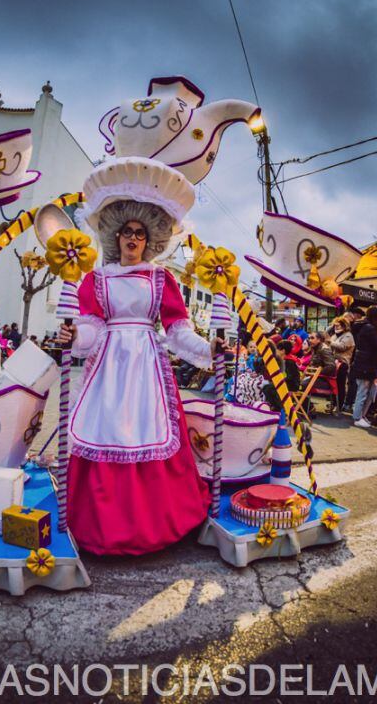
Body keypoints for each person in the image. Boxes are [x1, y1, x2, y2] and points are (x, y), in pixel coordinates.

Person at [56, 196, 222, 556]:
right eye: (127, 232)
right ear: (116, 236)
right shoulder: (95, 279)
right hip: (109, 367)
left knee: (150, 427)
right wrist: (74, 336)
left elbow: (177, 330)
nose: (133, 238)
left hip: (148, 364)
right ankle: (98, 524)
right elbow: (92, 328)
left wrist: (209, 349)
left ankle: (156, 522)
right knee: (104, 429)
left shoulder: (161, 278)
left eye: (140, 234)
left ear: (149, 242)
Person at [350, 306, 377, 429]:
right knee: (363, 391)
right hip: (365, 364)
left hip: (365, 362)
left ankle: (361, 416)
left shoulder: (364, 326)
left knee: (369, 391)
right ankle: (357, 418)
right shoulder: (369, 328)